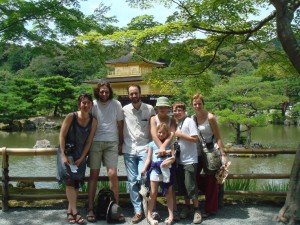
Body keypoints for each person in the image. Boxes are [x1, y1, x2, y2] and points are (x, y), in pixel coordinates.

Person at [86, 80, 124, 222]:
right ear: (98, 91)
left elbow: (120, 125)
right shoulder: (93, 105)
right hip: (95, 141)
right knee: (93, 174)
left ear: (110, 92)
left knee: (112, 174)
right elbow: (87, 122)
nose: (104, 94)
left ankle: (116, 208)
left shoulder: (116, 104)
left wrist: (120, 143)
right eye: (101, 91)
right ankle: (90, 207)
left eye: (106, 91)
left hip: (112, 141)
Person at [58, 94, 97, 224]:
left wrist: (82, 157)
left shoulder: (93, 121)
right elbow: (62, 136)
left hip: (81, 154)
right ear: (79, 104)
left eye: (88, 103)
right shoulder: (71, 116)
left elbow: (89, 141)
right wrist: (63, 155)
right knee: (69, 180)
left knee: (76, 182)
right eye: (83, 103)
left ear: (92, 104)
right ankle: (76, 212)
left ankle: (70, 211)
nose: (86, 105)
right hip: (67, 152)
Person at [122, 84, 156, 224]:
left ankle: (148, 208)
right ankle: (138, 211)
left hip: (144, 149)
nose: (134, 96)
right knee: (131, 181)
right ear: (128, 95)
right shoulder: (124, 110)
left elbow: (154, 129)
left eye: (136, 93)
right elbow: (119, 126)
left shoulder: (149, 109)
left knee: (143, 177)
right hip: (129, 149)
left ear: (140, 93)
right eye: (131, 94)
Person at [191, 93, 226, 218]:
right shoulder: (193, 118)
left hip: (211, 152)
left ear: (203, 104)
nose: (197, 106)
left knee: (211, 180)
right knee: (193, 175)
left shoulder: (210, 117)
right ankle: (212, 195)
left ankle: (211, 208)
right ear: (192, 105)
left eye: (199, 103)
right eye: (195, 104)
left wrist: (223, 154)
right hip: (199, 152)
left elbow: (218, 137)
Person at [149, 96, 180, 221]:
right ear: (157, 107)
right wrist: (160, 148)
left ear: (168, 108)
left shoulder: (171, 120)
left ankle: (174, 211)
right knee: (153, 185)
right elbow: (153, 133)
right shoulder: (153, 119)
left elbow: (171, 134)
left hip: (168, 152)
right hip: (156, 153)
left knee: (170, 184)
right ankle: (153, 210)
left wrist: (163, 147)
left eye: (165, 107)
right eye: (160, 107)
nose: (162, 109)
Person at [172, 102, 202, 224]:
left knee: (191, 186)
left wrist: (181, 135)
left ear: (184, 111)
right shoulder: (178, 123)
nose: (177, 112)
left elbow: (195, 139)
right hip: (180, 160)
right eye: (175, 110)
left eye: (180, 110)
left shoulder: (189, 121)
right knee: (184, 187)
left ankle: (197, 210)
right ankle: (187, 207)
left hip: (190, 160)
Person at [141, 123, 176, 225]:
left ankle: (171, 216)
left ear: (167, 133)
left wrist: (170, 161)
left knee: (169, 193)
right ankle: (149, 215)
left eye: (164, 133)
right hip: (155, 169)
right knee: (153, 192)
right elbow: (148, 158)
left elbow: (173, 157)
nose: (161, 134)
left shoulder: (170, 144)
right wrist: (144, 169)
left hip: (167, 170)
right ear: (156, 133)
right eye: (159, 132)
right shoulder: (152, 144)